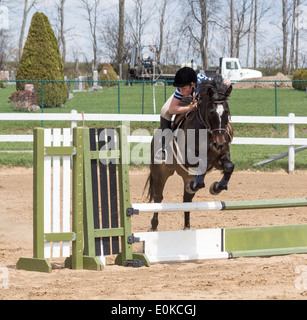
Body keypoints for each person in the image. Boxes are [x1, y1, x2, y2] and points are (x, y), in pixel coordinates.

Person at [154, 67, 230, 162]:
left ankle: (221, 136)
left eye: (184, 88)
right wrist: (188, 108)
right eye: (180, 88)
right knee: (164, 110)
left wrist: (226, 82)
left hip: (204, 99)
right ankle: (164, 148)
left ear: (193, 84)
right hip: (187, 99)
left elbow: (225, 83)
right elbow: (172, 109)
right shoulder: (181, 91)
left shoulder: (204, 81)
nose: (181, 91)